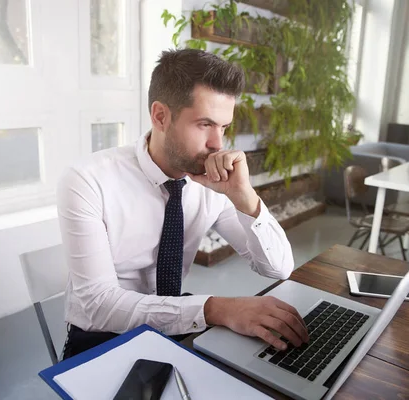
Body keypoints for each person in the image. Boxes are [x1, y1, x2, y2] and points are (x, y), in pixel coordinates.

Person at [58, 48, 308, 360]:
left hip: (175, 318)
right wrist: (218, 308)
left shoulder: (213, 181)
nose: (218, 143)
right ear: (160, 116)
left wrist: (246, 199)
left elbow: (278, 268)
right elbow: (98, 304)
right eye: (205, 124)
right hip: (103, 334)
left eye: (224, 127)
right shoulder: (88, 180)